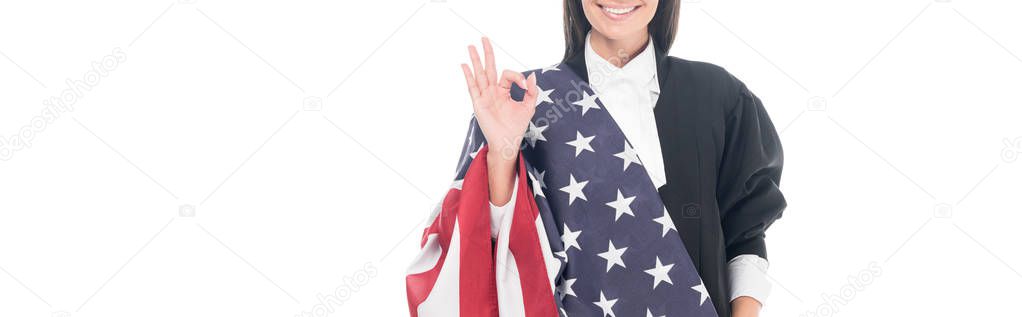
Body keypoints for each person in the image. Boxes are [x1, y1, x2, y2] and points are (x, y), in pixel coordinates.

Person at [408, 1, 785, 316]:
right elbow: (487, 253)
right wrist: (504, 149)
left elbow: (746, 234)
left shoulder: (719, 96)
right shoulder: (523, 101)